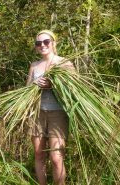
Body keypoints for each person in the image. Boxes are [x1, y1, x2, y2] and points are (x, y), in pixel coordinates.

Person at [26, 30, 74, 185]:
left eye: (46, 42)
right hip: (37, 113)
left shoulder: (64, 63)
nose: (42, 45)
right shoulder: (34, 66)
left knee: (56, 157)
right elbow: (26, 90)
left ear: (53, 43)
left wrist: (53, 85)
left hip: (58, 114)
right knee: (39, 154)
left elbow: (74, 88)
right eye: (38, 43)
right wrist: (34, 85)